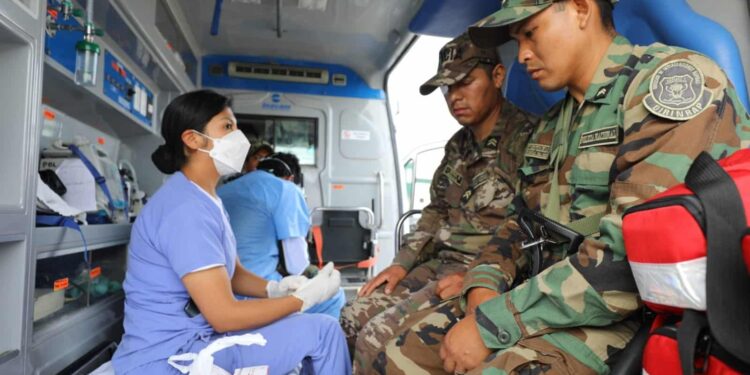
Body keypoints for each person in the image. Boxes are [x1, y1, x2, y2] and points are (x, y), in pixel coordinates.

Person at [370, 0, 750, 374]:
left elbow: (627, 261)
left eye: (531, 34)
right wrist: (484, 284)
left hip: (635, 313)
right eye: (518, 41)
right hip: (551, 296)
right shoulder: (552, 125)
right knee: (396, 355)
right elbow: (519, 224)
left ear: (581, 9)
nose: (523, 56)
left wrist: (496, 321)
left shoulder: (669, 85)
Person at [111, 90, 351, 374]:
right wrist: (302, 300)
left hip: (196, 338)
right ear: (192, 139)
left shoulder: (207, 198)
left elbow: (232, 273)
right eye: (227, 127)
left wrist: (274, 289)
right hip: (172, 355)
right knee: (323, 333)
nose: (240, 138)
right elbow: (224, 316)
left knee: (311, 333)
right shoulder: (184, 209)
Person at [343, 32, 539, 370]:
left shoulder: (528, 141)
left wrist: (481, 279)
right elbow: (435, 212)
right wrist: (402, 263)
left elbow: (533, 225)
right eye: (448, 88)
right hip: (440, 265)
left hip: (484, 274)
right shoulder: (456, 146)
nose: (454, 96)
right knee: (350, 317)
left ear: (497, 76)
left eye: (464, 82)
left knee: (377, 338)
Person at [218, 152, 347, 318]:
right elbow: (297, 265)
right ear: (290, 178)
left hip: (219, 285)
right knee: (334, 297)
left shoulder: (222, 190)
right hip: (257, 287)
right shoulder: (287, 189)